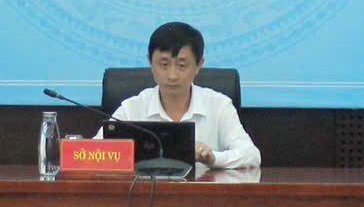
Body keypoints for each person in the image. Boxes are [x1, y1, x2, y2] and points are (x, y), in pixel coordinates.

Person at [109, 20, 259, 170]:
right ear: (150, 62)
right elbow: (98, 153)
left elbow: (251, 155)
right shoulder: (131, 109)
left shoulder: (218, 105)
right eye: (164, 65)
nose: (172, 75)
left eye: (182, 65)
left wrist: (213, 158)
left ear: (199, 65)